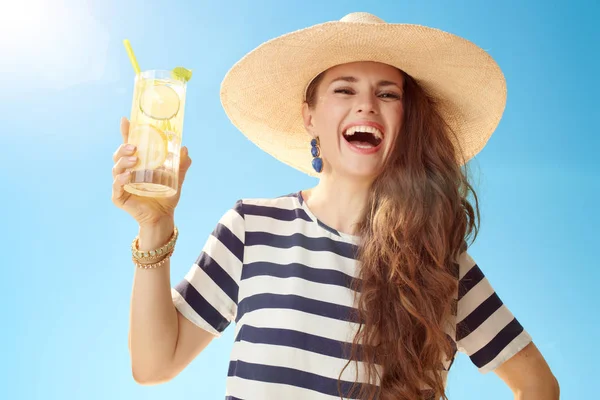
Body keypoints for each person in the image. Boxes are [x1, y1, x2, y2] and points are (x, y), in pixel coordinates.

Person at [112, 12, 559, 400]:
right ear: (310, 116)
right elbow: (154, 366)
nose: (367, 104)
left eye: (388, 94)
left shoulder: (439, 263)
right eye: (344, 90)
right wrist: (155, 226)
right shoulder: (252, 228)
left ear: (405, 122)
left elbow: (537, 385)